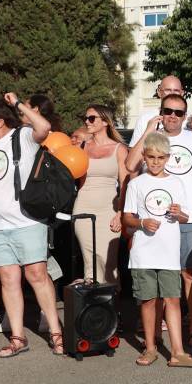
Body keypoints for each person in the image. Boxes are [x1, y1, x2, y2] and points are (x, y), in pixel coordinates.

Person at [0, 93, 65, 357]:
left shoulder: (20, 137)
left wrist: (18, 104)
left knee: (37, 275)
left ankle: (56, 332)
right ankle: (18, 337)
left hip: (27, 221)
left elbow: (44, 128)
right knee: (8, 280)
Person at [127, 94, 192, 342]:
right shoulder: (152, 136)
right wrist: (148, 130)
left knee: (189, 275)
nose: (173, 116)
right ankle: (153, 335)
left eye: (179, 113)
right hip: (154, 223)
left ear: (185, 116)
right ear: (161, 111)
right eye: (168, 111)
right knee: (156, 279)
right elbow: (130, 164)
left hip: (186, 218)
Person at [121, 132, 192, 368]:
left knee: (173, 300)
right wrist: (141, 223)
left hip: (168, 253)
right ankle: (150, 348)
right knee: (147, 300)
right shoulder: (136, 184)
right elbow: (127, 217)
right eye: (151, 157)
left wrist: (179, 214)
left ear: (168, 158)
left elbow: (186, 216)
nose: (155, 162)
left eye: (160, 157)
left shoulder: (175, 183)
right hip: (143, 253)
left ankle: (177, 352)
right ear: (144, 157)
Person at [74, 104, 128, 288]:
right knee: (89, 260)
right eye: (86, 118)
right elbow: (77, 179)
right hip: (83, 206)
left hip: (109, 209)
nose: (87, 122)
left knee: (108, 261)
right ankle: (94, 312)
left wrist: (120, 213)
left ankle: (112, 310)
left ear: (105, 122)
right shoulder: (82, 146)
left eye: (92, 118)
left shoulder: (119, 149)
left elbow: (125, 184)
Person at [131, 75, 184, 142]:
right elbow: (134, 151)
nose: (172, 94)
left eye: (176, 90)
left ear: (182, 93)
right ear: (159, 92)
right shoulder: (145, 119)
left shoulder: (190, 120)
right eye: (168, 90)